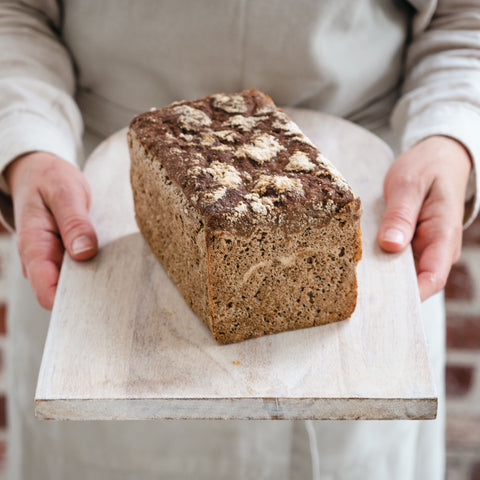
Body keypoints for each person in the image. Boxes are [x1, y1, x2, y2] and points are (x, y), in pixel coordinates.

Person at [0, 1, 479, 479]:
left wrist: (451, 136)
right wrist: (25, 139)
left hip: (369, 189)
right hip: (90, 193)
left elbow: (463, 15)